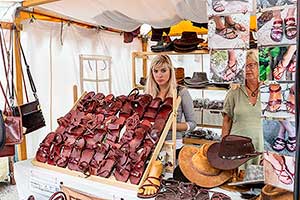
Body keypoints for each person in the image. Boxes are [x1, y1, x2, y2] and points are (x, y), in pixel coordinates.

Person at [222, 50, 263, 156]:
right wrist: (223, 147)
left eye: (251, 65)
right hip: (236, 147)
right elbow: (226, 121)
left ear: (259, 66)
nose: (247, 70)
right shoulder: (234, 91)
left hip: (261, 147)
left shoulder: (268, 91)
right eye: (244, 66)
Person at [145, 54, 196, 139]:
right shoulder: (148, 94)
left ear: (170, 71)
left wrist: (169, 126)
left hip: (173, 145)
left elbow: (192, 124)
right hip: (151, 145)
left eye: (163, 70)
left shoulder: (181, 92)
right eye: (156, 71)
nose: (159, 75)